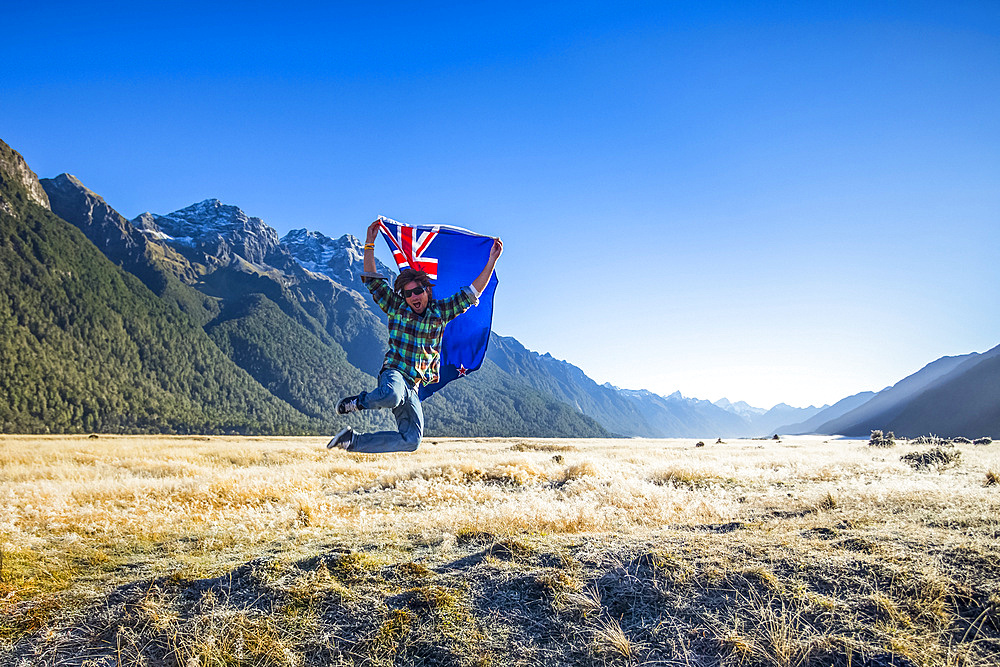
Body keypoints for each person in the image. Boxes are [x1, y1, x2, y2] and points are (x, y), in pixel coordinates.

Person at [327, 219, 503, 453]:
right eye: (408, 293)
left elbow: (472, 293)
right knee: (391, 394)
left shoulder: (441, 312)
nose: (413, 297)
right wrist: (370, 243)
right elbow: (372, 280)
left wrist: (492, 260)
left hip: (414, 385)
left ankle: (351, 440)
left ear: (427, 291)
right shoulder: (396, 306)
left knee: (412, 440)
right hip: (395, 373)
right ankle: (356, 403)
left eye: (418, 291)